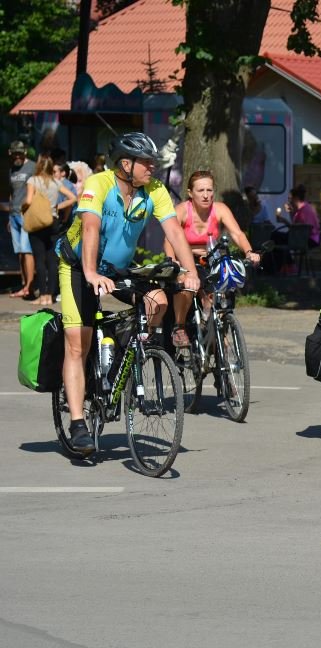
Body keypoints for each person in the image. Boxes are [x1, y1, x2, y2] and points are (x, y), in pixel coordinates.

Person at [56, 132, 200, 455]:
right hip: (78, 266)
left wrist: (190, 272)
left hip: (118, 269)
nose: (153, 167)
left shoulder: (155, 190)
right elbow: (90, 228)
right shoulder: (98, 184)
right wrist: (91, 273)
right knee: (78, 342)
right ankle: (78, 423)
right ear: (125, 164)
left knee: (158, 301)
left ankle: (123, 354)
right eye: (146, 162)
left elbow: (175, 232)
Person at [164, 170, 261, 347]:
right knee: (186, 285)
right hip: (187, 260)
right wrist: (173, 261)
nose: (206, 195)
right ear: (190, 193)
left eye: (209, 190)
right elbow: (170, 239)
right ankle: (179, 327)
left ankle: (218, 329)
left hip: (211, 259)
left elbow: (237, 234)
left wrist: (249, 252)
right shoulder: (182, 211)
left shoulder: (220, 209)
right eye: (201, 190)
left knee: (226, 286)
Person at [23, 154, 77, 306]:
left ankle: (42, 296)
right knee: (52, 260)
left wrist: (23, 207)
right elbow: (73, 198)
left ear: (39, 165)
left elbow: (28, 200)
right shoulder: (55, 182)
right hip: (53, 222)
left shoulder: (33, 181)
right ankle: (51, 296)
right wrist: (57, 207)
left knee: (39, 260)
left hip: (37, 223)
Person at [7, 141, 36, 298]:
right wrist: (9, 215)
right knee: (19, 252)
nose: (17, 156)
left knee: (27, 251)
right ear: (10, 153)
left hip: (27, 214)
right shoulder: (12, 169)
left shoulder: (32, 167)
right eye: (15, 154)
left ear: (25, 152)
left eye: (20, 153)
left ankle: (30, 287)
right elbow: (12, 193)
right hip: (14, 215)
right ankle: (24, 284)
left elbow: (37, 190)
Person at [270, 184, 321, 274]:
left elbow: (297, 229)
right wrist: (291, 212)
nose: (289, 201)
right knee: (277, 238)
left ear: (296, 198)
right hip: (304, 237)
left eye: (290, 198)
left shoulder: (304, 210)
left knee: (275, 236)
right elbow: (296, 227)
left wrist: (284, 221)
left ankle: (287, 267)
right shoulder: (303, 208)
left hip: (308, 240)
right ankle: (286, 266)